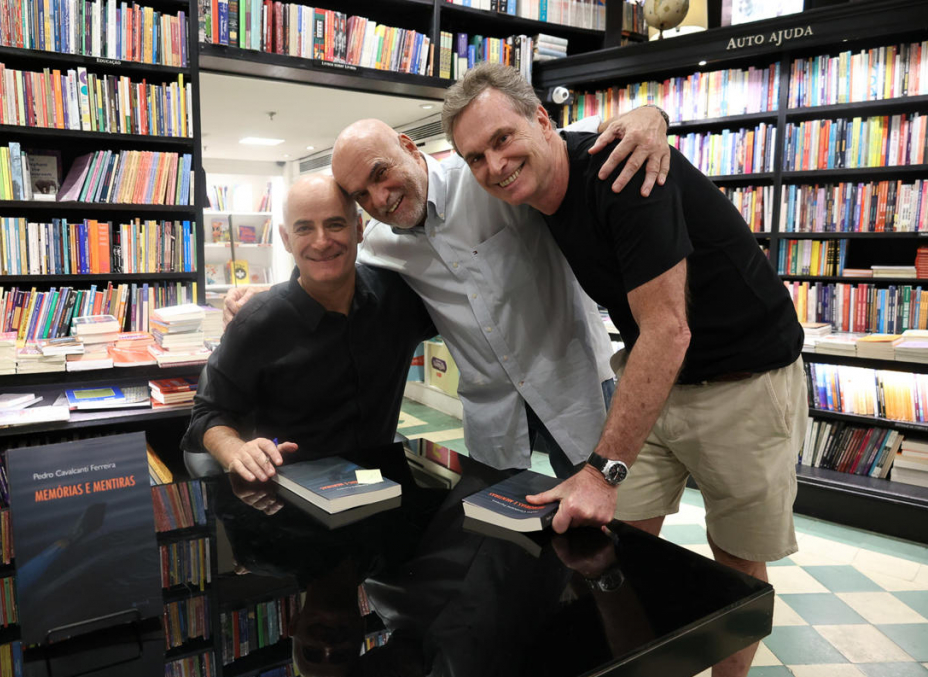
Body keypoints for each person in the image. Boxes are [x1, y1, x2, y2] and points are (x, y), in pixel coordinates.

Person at [443, 63, 805, 677]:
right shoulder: (544, 190)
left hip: (743, 381)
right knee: (613, 552)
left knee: (734, 562)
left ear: (540, 119)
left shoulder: (621, 171)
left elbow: (670, 329)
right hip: (654, 381)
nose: (494, 165)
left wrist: (602, 471)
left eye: (502, 139)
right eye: (475, 158)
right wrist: (652, 112)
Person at [225, 106, 672, 475]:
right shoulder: (379, 242)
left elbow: (565, 142)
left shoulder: (490, 177)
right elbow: (326, 265)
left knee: (601, 538)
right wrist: (265, 303)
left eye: (382, 174)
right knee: (502, 544)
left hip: (576, 391)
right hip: (494, 417)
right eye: (362, 195)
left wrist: (650, 115)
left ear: (408, 147)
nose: (380, 198)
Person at [182, 175, 434, 482]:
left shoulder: (397, 299)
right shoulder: (256, 323)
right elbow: (207, 415)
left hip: (382, 488)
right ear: (286, 240)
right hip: (287, 501)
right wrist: (235, 449)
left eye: (335, 224)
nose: (321, 241)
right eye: (304, 228)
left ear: (359, 229)